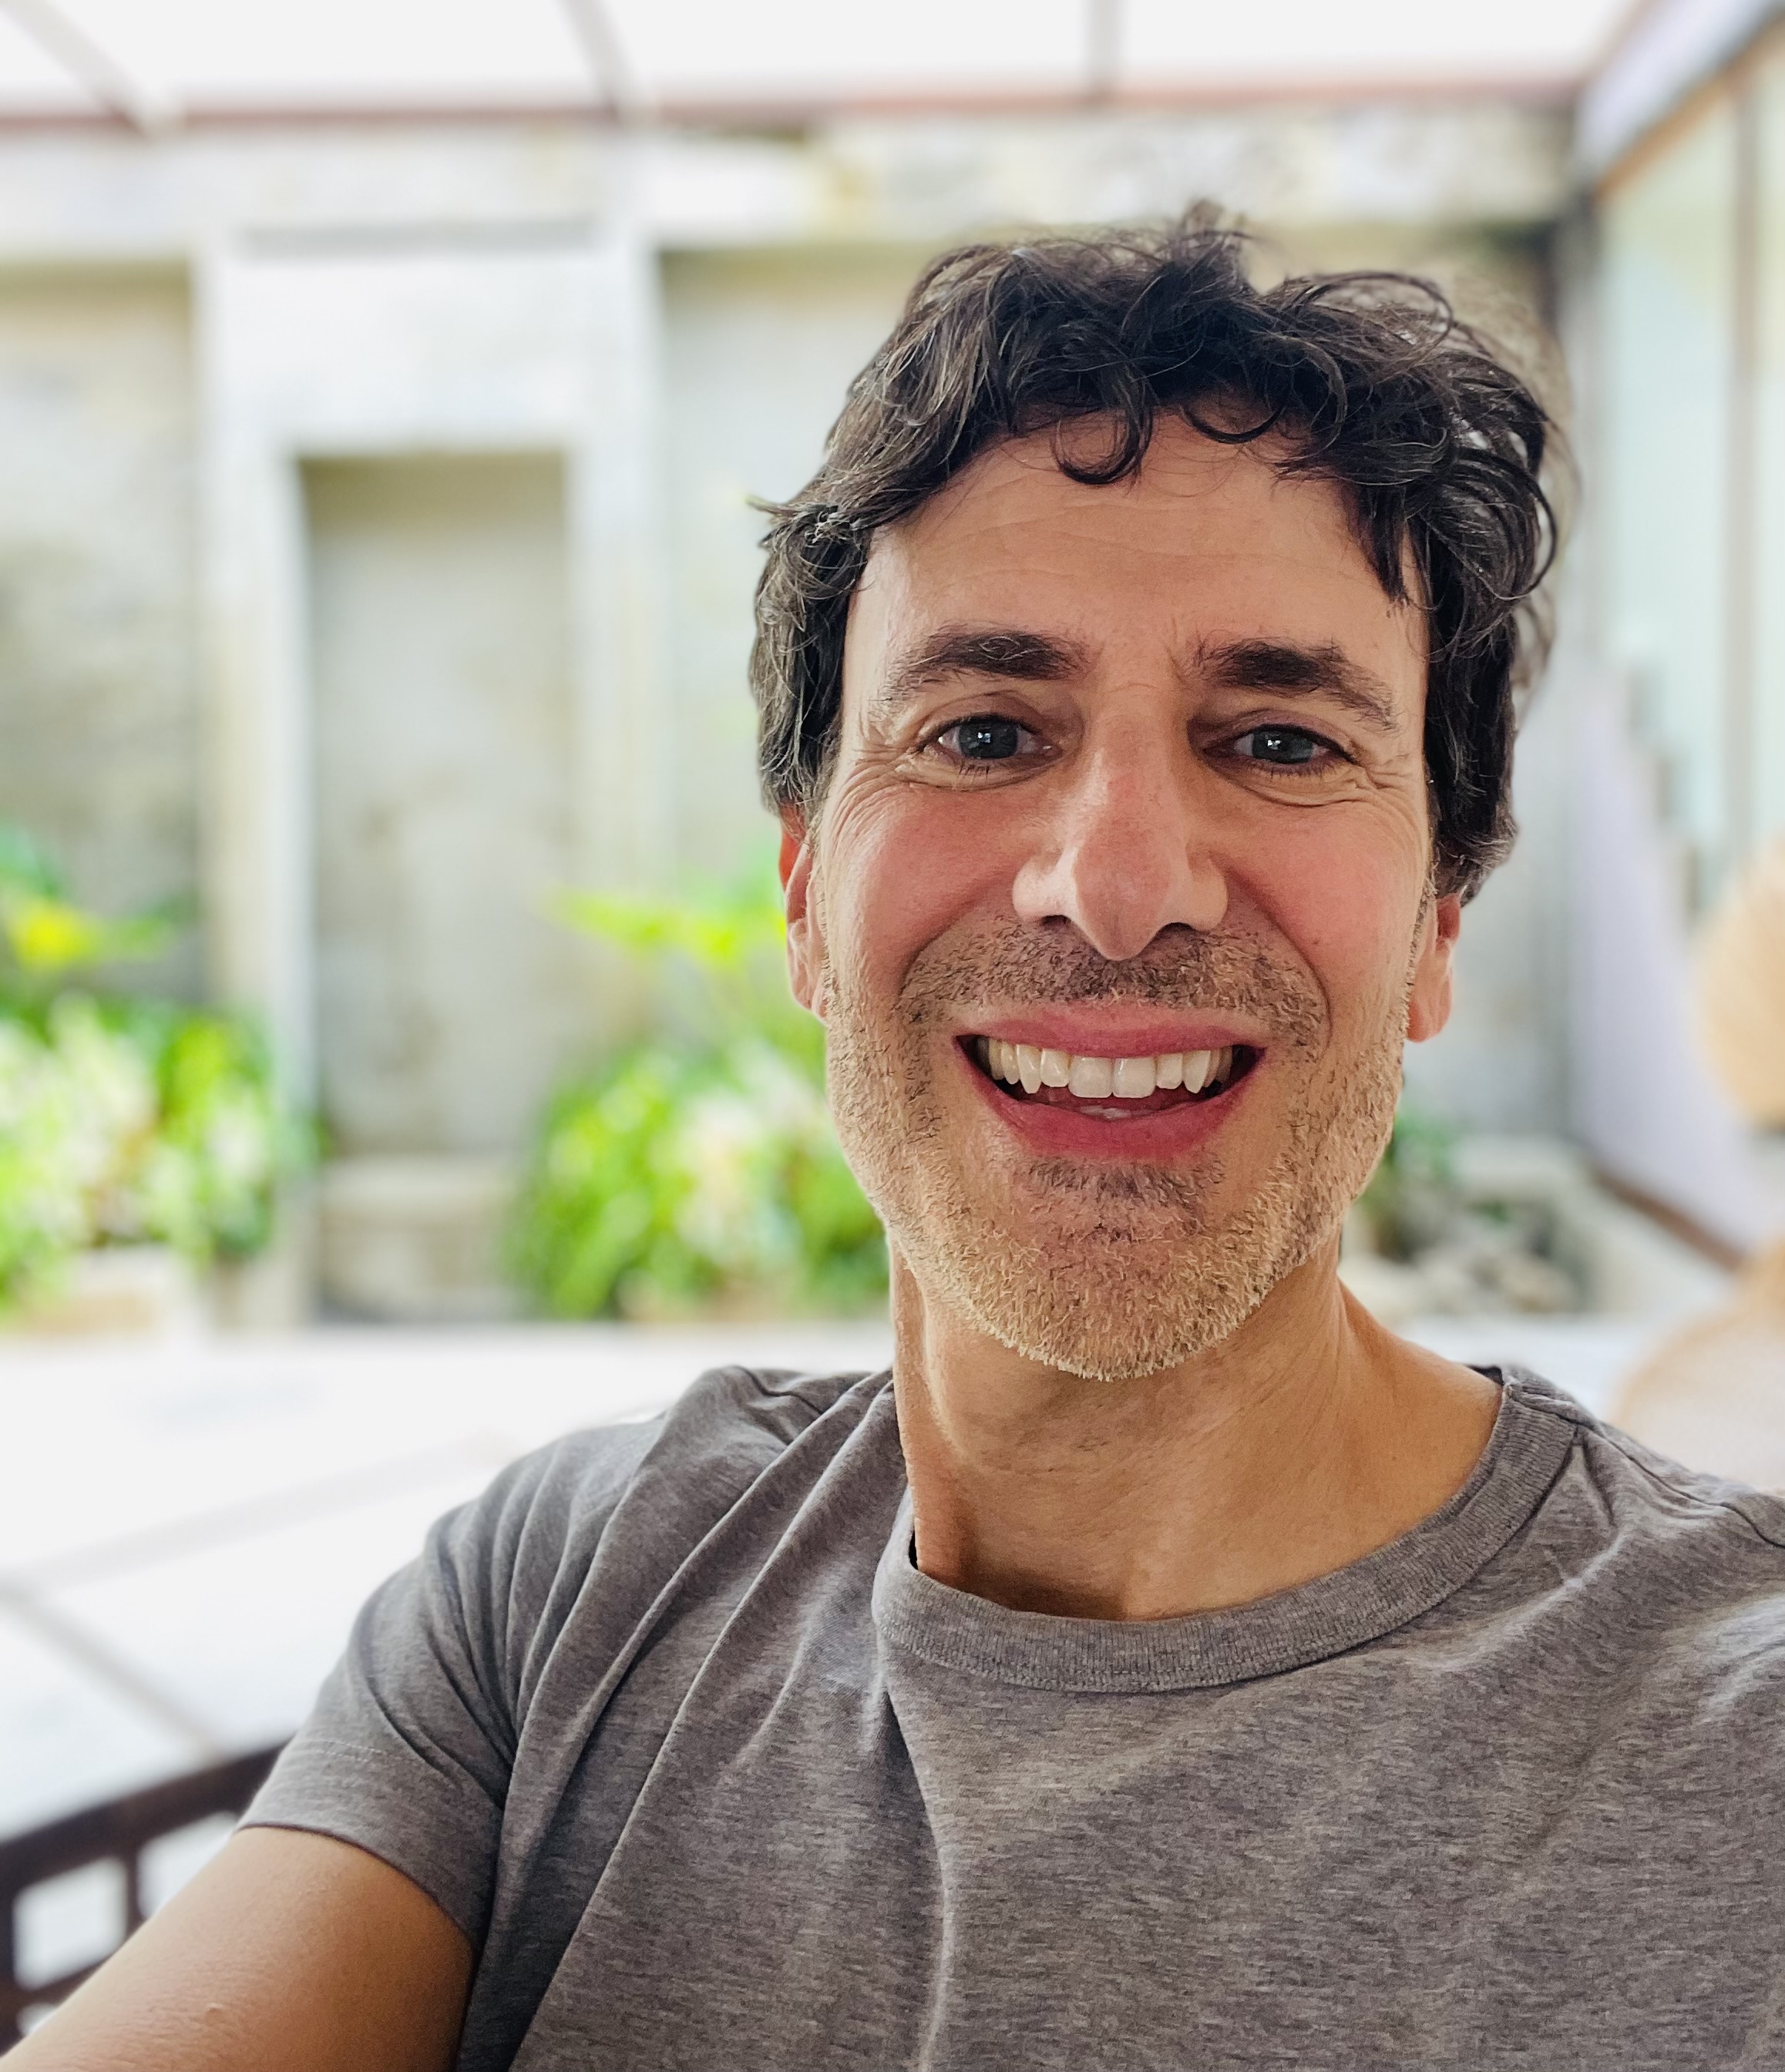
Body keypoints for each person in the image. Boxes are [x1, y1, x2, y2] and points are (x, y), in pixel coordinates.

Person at [23, 223, 1785, 2072]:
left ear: (1437, 922)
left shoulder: (1736, 1735)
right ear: (803, 888)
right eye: (983, 728)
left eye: (1277, 738)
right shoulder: (563, 1603)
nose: (1116, 885)